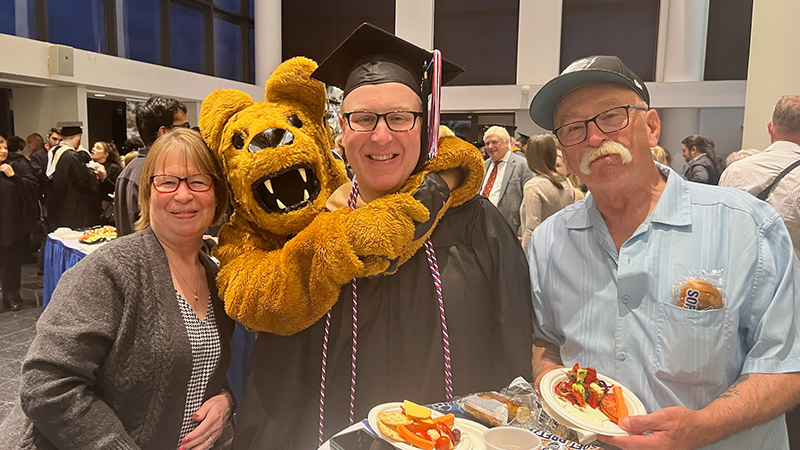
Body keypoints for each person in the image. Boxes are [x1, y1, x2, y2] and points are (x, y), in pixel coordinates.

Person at [231, 23, 534, 450]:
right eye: (363, 118)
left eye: (399, 117)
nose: (381, 135)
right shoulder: (313, 232)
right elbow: (279, 377)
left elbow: (513, 347)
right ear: (341, 128)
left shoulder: (475, 223)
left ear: (425, 126)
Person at [528, 55, 800, 449]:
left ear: (652, 127)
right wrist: (549, 380)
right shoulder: (550, 239)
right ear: (564, 154)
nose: (593, 137)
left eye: (611, 117)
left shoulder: (747, 227)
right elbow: (545, 339)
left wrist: (704, 426)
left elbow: (787, 364)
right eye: (573, 127)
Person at [0, 128, 236, 449]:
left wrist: (225, 400)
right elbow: (47, 384)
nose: (183, 195)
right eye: (167, 181)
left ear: (217, 193)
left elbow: (195, 366)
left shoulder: (216, 277)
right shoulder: (110, 270)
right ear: (148, 193)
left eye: (198, 181)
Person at [720, 95, 800, 259]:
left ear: (770, 128)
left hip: (739, 278)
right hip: (791, 282)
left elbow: (720, 230)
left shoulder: (734, 170)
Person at [116, 97, 189, 236]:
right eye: (185, 127)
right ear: (164, 132)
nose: (189, 133)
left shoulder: (130, 168)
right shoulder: (157, 173)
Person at [0, 136, 38, 311]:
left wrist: (14, 176)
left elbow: (33, 188)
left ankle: (12, 295)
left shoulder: (16, 166)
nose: (3, 151)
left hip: (10, 223)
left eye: (5, 147)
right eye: (0, 148)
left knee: (11, 262)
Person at [519, 133, 575, 251]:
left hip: (540, 251)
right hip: (562, 248)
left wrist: (524, 259)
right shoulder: (566, 181)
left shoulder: (533, 186)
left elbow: (532, 228)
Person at [480, 125, 534, 237]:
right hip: (482, 227)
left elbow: (529, 202)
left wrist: (521, 232)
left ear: (507, 142)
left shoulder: (522, 165)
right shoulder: (484, 166)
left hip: (510, 229)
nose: (490, 146)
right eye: (487, 143)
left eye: (494, 142)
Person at [43, 122, 98, 232]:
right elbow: (82, 182)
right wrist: (92, 170)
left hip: (57, 204)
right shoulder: (71, 155)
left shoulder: (54, 151)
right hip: (72, 206)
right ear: (78, 137)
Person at [89, 141, 123, 225]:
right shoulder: (88, 166)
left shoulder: (114, 168)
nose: (93, 149)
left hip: (106, 208)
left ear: (105, 154)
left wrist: (104, 178)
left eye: (98, 148)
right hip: (91, 207)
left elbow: (116, 189)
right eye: (93, 147)